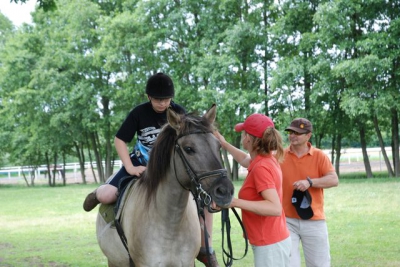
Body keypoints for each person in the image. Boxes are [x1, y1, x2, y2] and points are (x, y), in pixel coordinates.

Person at [83, 72, 220, 267]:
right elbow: (120, 139)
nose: (162, 103)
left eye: (166, 99)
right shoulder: (139, 113)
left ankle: (207, 247)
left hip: (169, 169)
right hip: (140, 163)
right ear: (149, 97)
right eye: (157, 99)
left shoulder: (179, 112)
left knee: (205, 200)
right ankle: (96, 194)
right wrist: (130, 167)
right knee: (107, 195)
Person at [214, 113, 291, 267]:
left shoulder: (261, 167)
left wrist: (233, 202)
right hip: (272, 240)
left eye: (243, 133)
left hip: (269, 244)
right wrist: (224, 144)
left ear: (248, 138)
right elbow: (244, 160)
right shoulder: (264, 159)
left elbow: (274, 208)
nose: (242, 136)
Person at [280, 118, 339, 267]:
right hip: (287, 220)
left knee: (319, 264)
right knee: (289, 264)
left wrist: (310, 182)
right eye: (291, 132)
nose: (293, 135)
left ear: (308, 135)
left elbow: (333, 179)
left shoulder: (319, 156)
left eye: (298, 133)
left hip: (314, 220)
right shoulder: (280, 155)